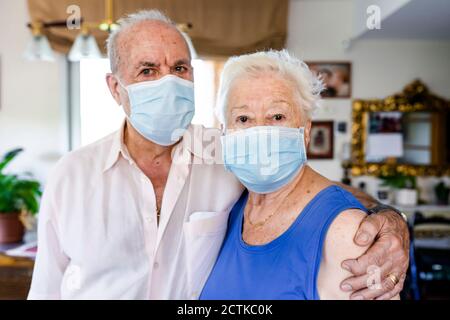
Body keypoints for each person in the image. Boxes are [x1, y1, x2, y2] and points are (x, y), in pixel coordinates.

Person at [28, 10, 409, 300]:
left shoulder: (228, 153)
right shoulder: (72, 176)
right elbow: (45, 289)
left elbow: (308, 192)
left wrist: (390, 220)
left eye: (179, 68)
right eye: (147, 70)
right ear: (115, 87)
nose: (168, 81)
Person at [200, 50, 405, 299]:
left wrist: (394, 217)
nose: (260, 132)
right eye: (243, 118)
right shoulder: (231, 203)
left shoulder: (348, 234)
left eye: (277, 116)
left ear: (306, 131)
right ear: (224, 133)